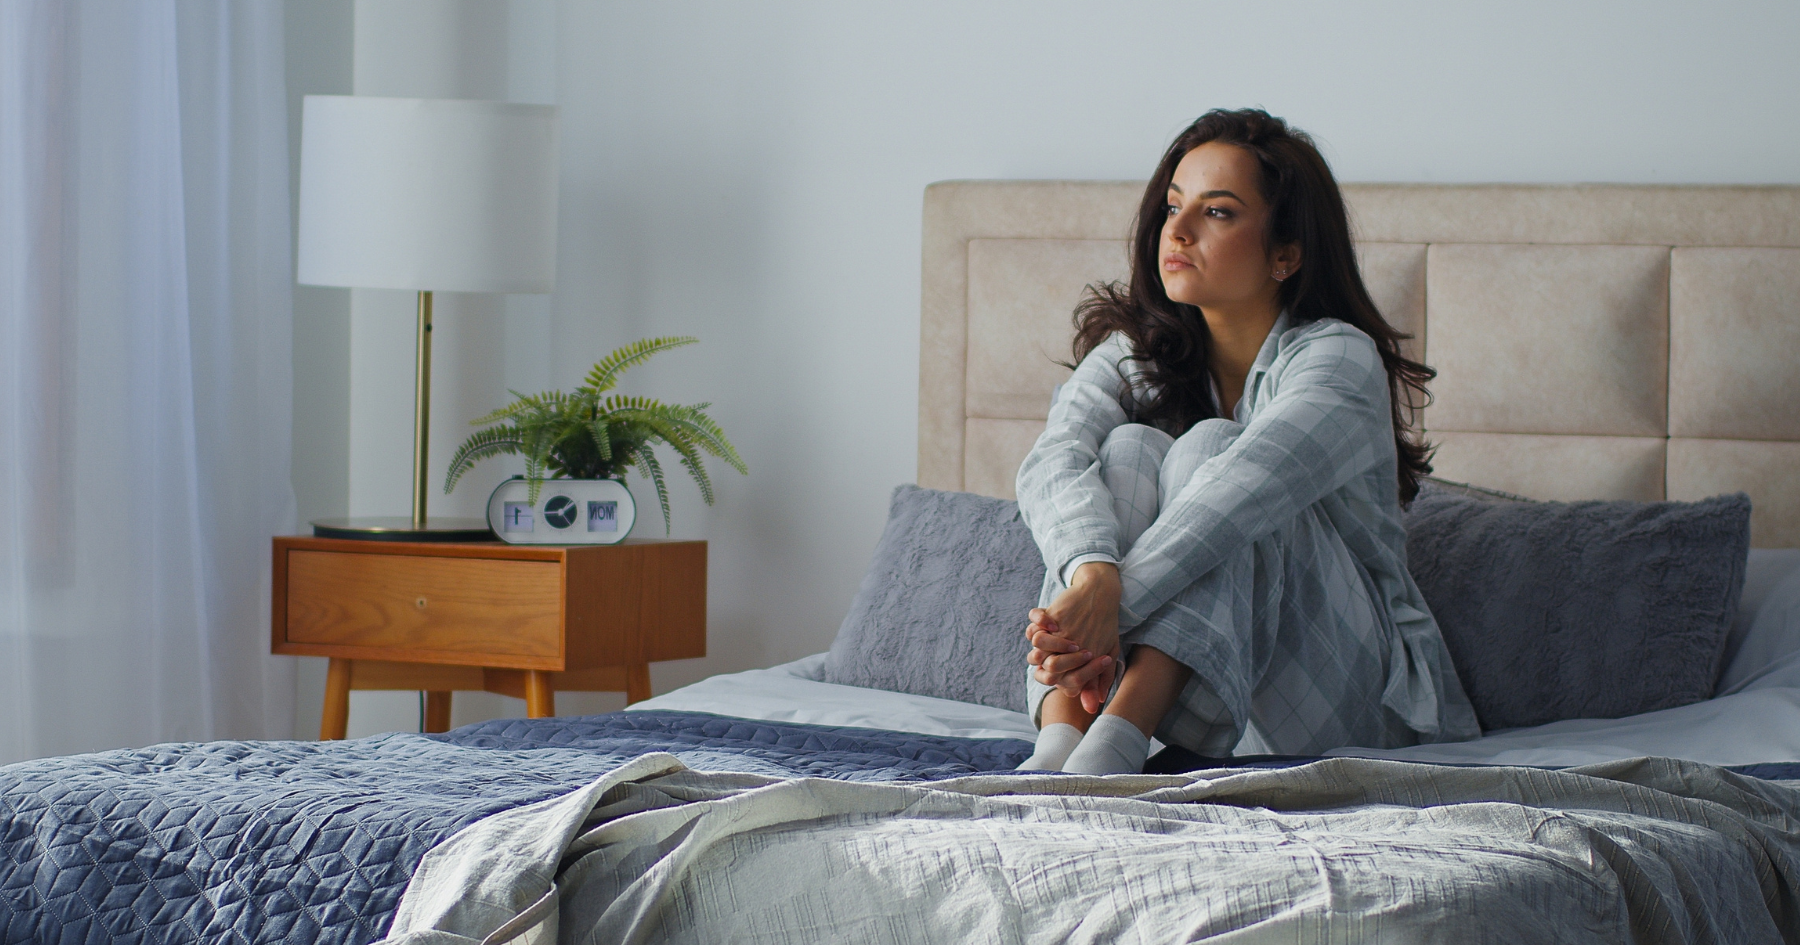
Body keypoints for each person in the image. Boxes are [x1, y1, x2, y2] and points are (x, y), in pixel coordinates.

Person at [1015, 108, 1479, 774]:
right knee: (1126, 454)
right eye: (1174, 205)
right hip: (1205, 696)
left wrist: (1102, 614)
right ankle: (1062, 744)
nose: (1177, 229)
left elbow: (1240, 495)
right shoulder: (1135, 354)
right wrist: (1091, 575)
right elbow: (1050, 461)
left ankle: (1116, 744)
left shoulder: (1339, 358)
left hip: (1361, 703)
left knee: (1214, 453)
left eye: (1219, 212)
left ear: (1286, 252)